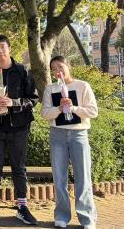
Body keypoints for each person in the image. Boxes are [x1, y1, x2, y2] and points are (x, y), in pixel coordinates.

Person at [0, 35, 39, 225]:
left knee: (18, 167)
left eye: (2, 47)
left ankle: (22, 207)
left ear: (9, 48)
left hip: (19, 126)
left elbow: (33, 99)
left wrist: (14, 102)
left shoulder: (22, 71)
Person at [42, 56, 98, 229]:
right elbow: (45, 113)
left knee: (83, 177)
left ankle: (87, 218)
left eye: (60, 66)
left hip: (78, 134)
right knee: (59, 178)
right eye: (54, 69)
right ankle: (61, 216)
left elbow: (93, 111)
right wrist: (59, 108)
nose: (58, 71)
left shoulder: (82, 86)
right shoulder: (50, 88)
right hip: (57, 135)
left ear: (68, 66)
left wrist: (73, 108)